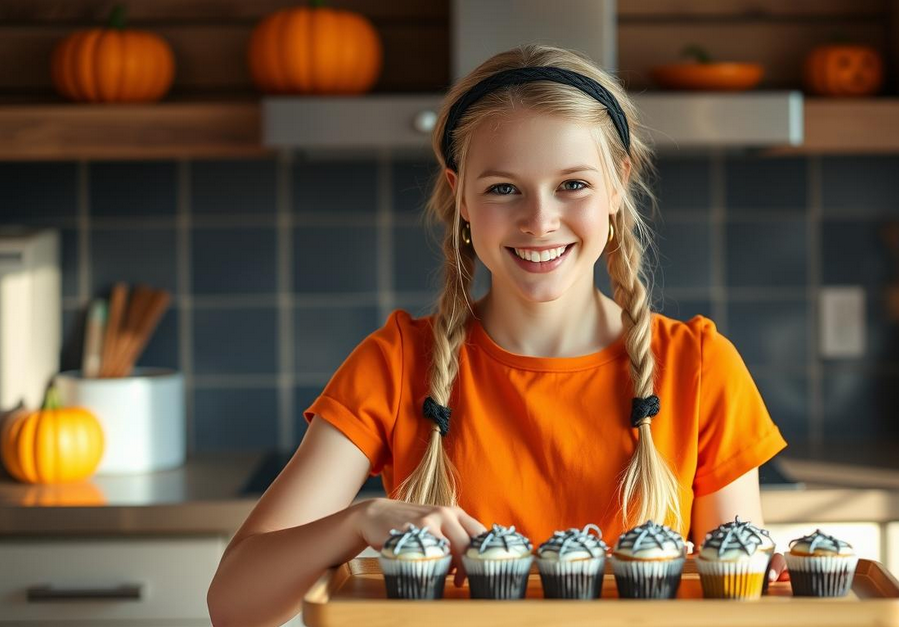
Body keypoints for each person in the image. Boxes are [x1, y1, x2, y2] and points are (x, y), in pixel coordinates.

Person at [207, 44, 787, 626]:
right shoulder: (395, 364)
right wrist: (360, 521)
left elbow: (737, 606)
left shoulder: (700, 367)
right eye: (503, 188)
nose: (539, 220)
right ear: (460, 195)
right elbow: (233, 605)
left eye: (573, 185)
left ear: (617, 186)